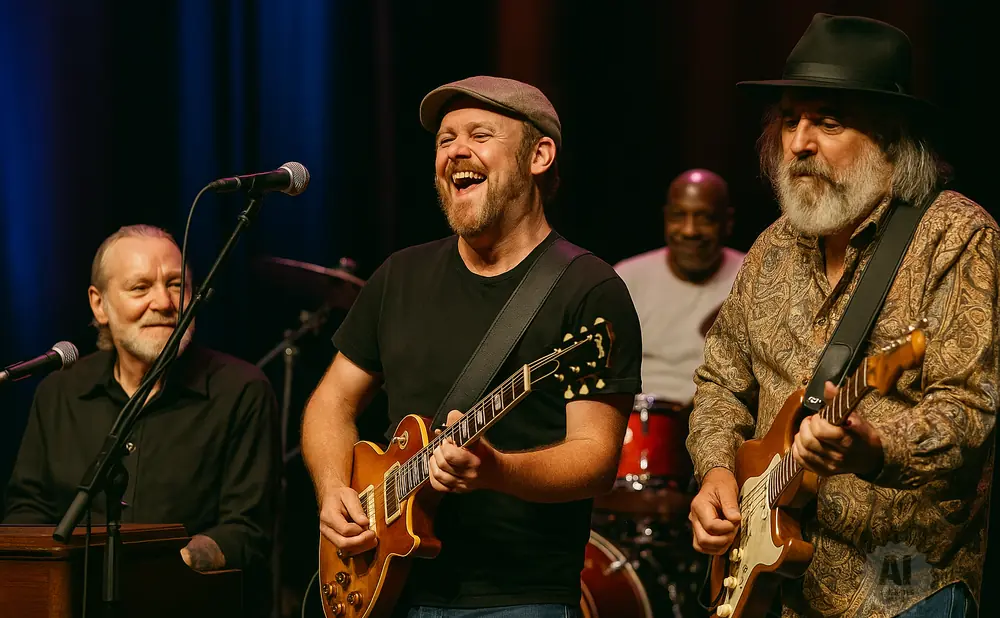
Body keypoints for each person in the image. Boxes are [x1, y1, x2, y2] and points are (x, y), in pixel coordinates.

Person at [687, 13, 997, 618]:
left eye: (828, 123)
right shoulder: (773, 244)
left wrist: (876, 448)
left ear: (891, 136)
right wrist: (716, 472)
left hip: (903, 588)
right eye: (790, 121)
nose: (799, 142)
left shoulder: (956, 236)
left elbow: (971, 413)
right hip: (778, 592)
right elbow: (720, 381)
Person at [301, 76, 642, 617]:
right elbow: (331, 403)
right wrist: (330, 490)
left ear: (540, 155)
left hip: (517, 596)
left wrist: (497, 471)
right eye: (444, 139)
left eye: (480, 135)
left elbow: (596, 458)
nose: (455, 150)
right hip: (390, 586)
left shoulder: (587, 289)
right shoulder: (400, 275)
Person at [3, 224, 279, 615]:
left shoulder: (241, 390)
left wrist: (160, 572)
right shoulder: (60, 391)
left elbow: (247, 531)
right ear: (99, 305)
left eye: (175, 285)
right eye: (140, 288)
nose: (164, 303)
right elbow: (26, 512)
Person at [615, 168, 743, 403]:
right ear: (666, 218)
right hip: (642, 425)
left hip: (720, 418)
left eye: (705, 218)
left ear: (728, 222)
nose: (689, 230)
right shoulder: (627, 277)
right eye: (678, 216)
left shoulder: (752, 277)